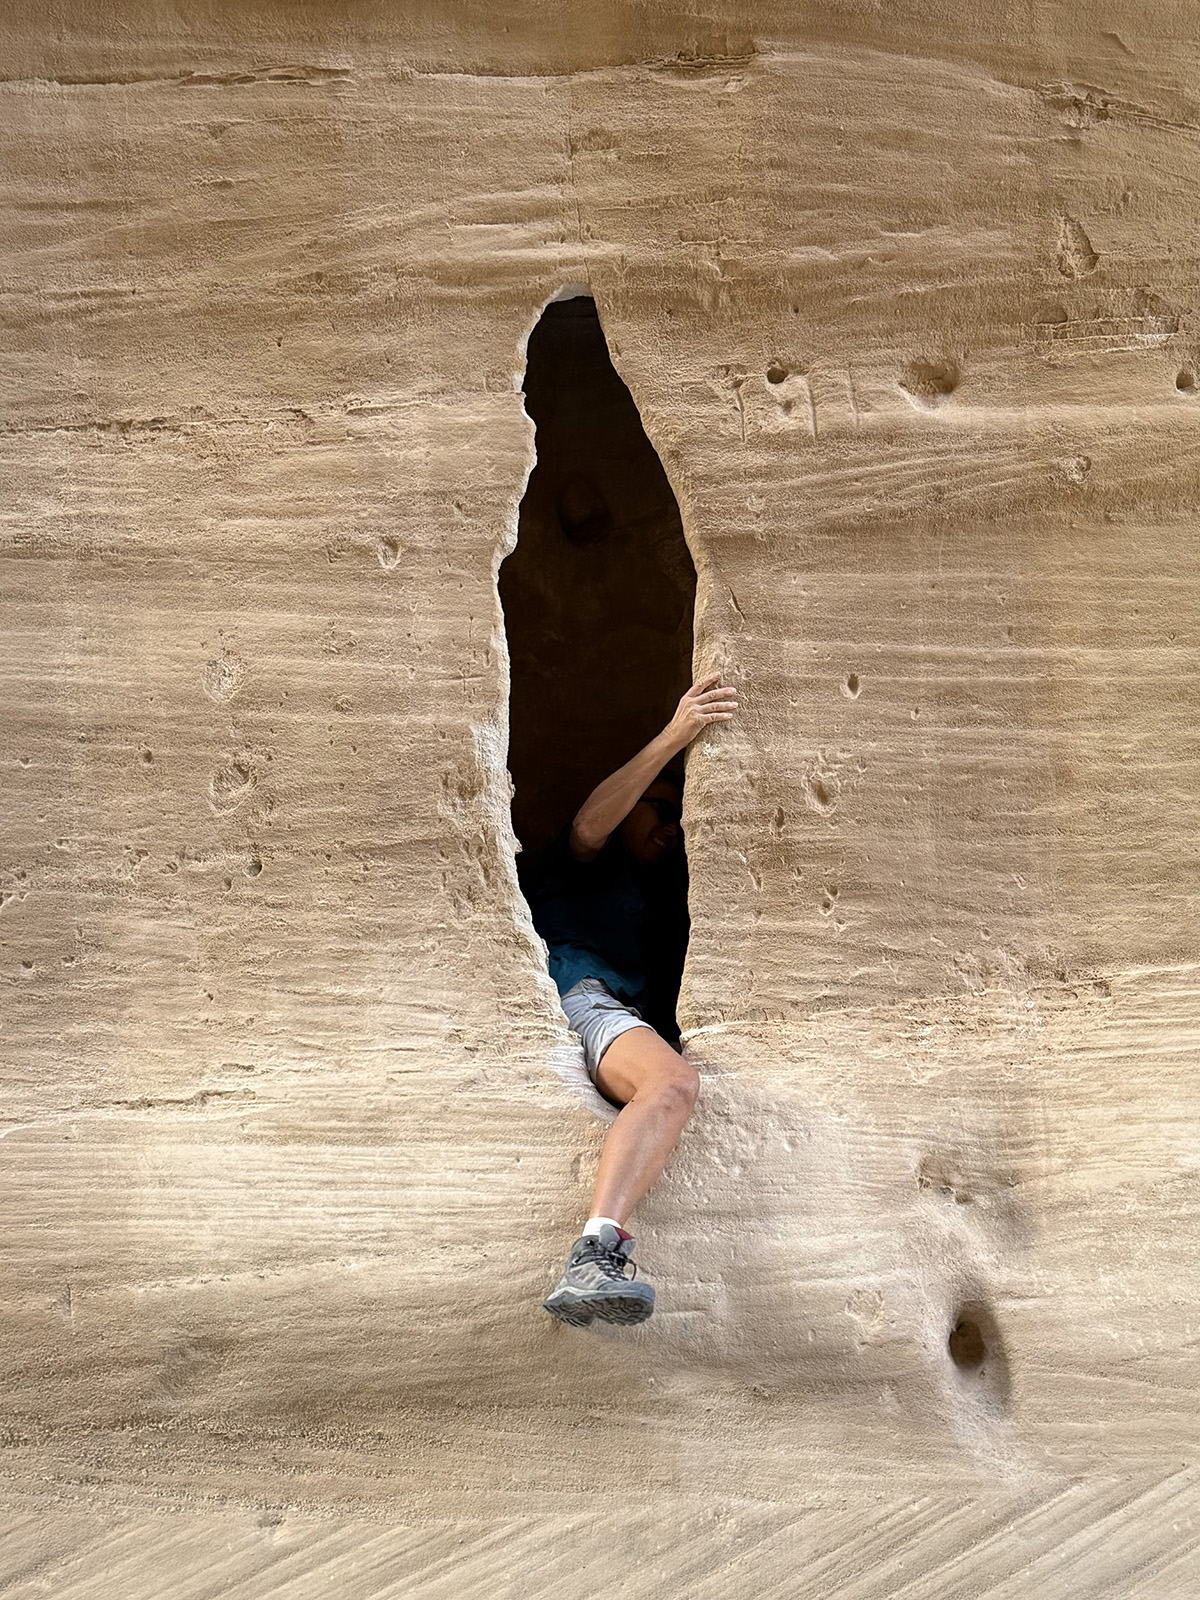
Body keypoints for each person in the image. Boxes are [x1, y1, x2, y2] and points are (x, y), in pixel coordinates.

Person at [525, 672, 739, 1327]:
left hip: (626, 1014)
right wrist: (676, 735)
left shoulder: (665, 905)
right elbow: (591, 826)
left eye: (680, 817)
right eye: (659, 810)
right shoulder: (584, 868)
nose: (671, 827)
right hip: (582, 997)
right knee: (672, 1083)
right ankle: (595, 1252)